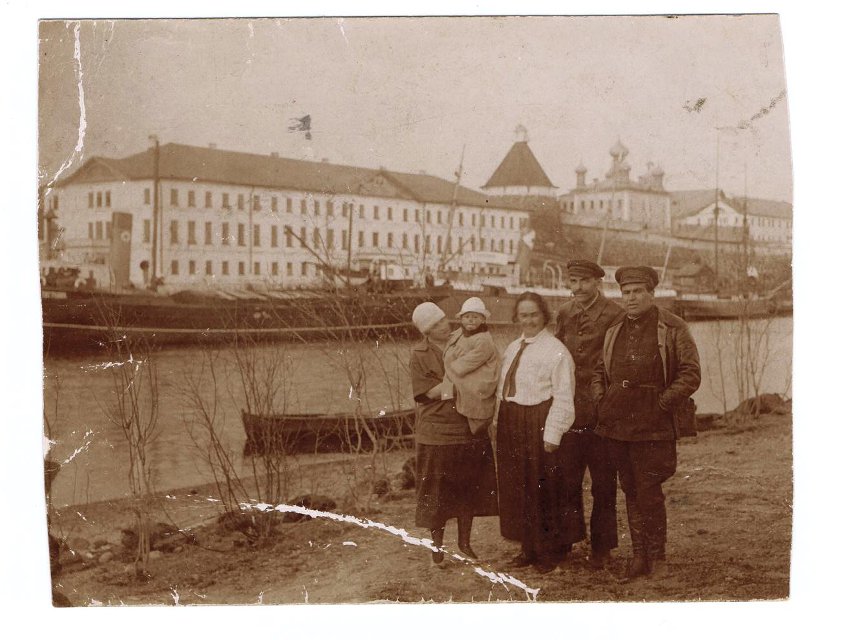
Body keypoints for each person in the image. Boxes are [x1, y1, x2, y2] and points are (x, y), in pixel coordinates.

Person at [592, 266, 701, 581]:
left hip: (653, 422)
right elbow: (600, 369)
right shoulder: (615, 327)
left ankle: (658, 557)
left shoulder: (672, 326)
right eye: (626, 292)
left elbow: (691, 373)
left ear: (651, 293)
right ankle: (639, 556)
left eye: (638, 291)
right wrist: (601, 397)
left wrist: (663, 403)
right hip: (618, 421)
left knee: (649, 489)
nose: (631, 298)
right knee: (629, 488)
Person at [409, 302, 498, 567]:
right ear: (426, 331)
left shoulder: (465, 338)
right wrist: (460, 387)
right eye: (435, 324)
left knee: (467, 488)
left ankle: (465, 542)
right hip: (436, 431)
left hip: (468, 426)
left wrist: (464, 387)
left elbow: (487, 369)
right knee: (436, 494)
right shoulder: (420, 353)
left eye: (443, 319)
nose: (444, 325)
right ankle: (437, 548)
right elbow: (424, 395)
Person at [496, 291, 577, 574]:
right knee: (519, 485)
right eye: (523, 315)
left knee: (543, 487)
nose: (528, 320)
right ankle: (528, 548)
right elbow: (503, 389)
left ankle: (550, 551)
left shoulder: (556, 350)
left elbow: (564, 394)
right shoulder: (512, 347)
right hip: (513, 422)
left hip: (539, 422)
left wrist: (553, 432)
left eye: (533, 314)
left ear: (544, 315)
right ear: (516, 317)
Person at [554, 259, 625, 570]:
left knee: (603, 483)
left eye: (584, 281)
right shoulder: (565, 314)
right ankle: (567, 541)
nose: (577, 288)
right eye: (573, 281)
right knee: (567, 479)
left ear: (598, 282)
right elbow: (555, 356)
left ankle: (602, 547)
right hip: (569, 410)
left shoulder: (614, 315)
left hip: (602, 412)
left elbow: (620, 360)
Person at [443, 297, 500, 435]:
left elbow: (467, 363)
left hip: (481, 378)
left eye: (475, 317)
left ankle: (474, 421)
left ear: (483, 320)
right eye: (467, 316)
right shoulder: (461, 334)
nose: (471, 320)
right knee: (451, 384)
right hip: (467, 372)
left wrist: (455, 361)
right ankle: (447, 399)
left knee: (467, 391)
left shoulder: (484, 339)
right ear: (461, 319)